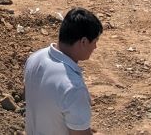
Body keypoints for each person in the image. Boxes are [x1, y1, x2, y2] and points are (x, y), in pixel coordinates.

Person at [24, 7, 102, 135]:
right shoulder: (73, 87)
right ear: (83, 41)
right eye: (94, 42)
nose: (95, 47)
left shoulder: (35, 58)